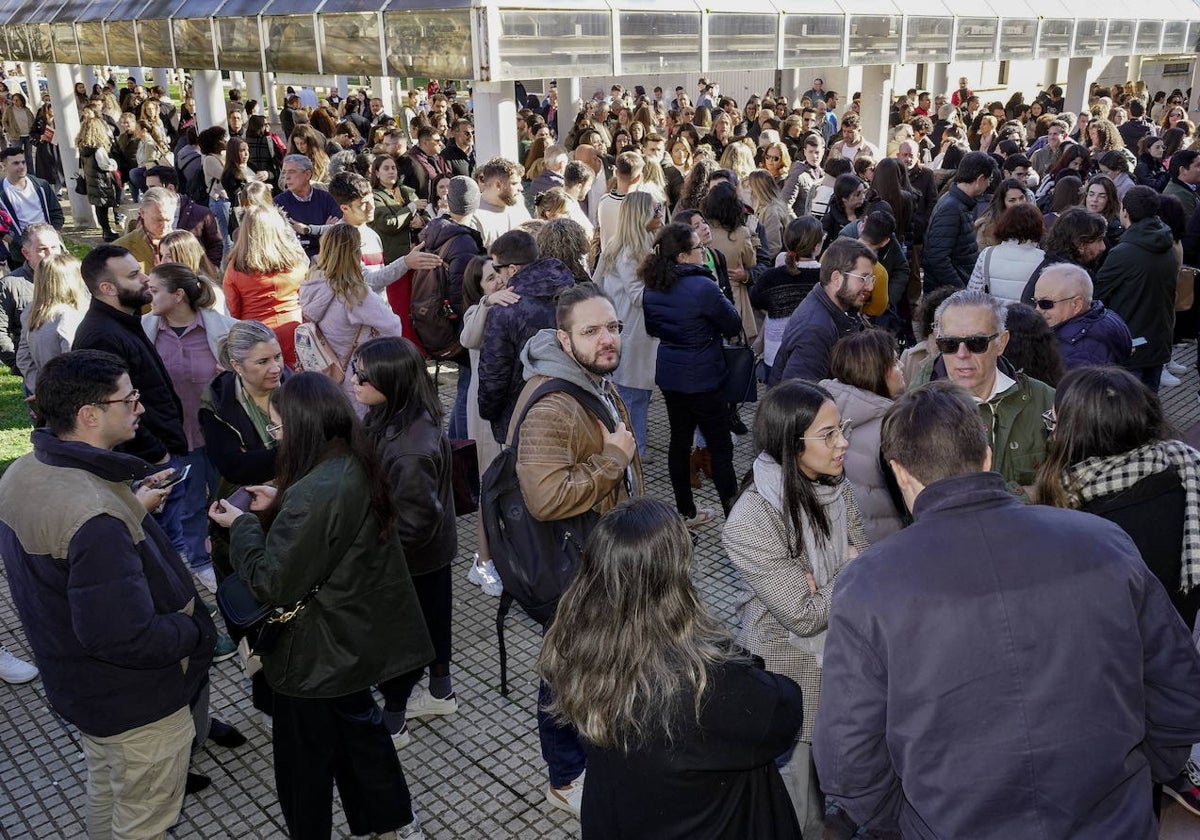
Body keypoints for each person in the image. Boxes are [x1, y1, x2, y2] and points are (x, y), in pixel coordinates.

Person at [812, 380, 1200, 838]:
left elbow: (848, 757)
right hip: (1114, 822)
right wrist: (1138, 774)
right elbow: (1178, 686)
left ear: (900, 473)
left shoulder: (870, 583)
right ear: (987, 456)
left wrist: (904, 822)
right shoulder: (1103, 542)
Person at [0, 349, 216, 839]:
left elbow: (67, 565)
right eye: (129, 398)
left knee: (108, 787)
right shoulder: (93, 516)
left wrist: (130, 509)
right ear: (90, 415)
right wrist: (191, 630)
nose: (139, 407)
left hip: (80, 687)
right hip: (136, 704)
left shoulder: (23, 473)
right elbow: (122, 635)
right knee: (143, 820)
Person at [208, 372, 433, 840]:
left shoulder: (316, 489)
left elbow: (273, 580)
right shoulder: (350, 458)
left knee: (302, 765)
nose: (275, 436)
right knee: (361, 734)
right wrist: (283, 502)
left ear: (305, 427)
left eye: (278, 428)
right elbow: (329, 532)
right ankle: (391, 821)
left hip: (312, 654)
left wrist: (244, 525)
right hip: (351, 636)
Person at [541, 496, 804, 839]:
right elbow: (784, 713)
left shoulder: (570, 642)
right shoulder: (702, 679)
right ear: (672, 576)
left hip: (618, 818)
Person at [507, 282, 642, 818]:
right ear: (564, 339)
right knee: (566, 672)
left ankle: (599, 756)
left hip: (603, 558)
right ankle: (566, 777)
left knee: (588, 666)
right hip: (575, 569)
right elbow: (544, 498)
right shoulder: (554, 404)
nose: (607, 339)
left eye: (612, 327)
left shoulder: (592, 379)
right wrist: (611, 461)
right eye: (591, 331)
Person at [723, 379, 868, 836]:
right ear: (791, 443)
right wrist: (846, 569)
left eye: (840, 428)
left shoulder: (833, 483)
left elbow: (862, 549)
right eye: (827, 435)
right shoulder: (752, 518)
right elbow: (802, 615)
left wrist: (825, 578)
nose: (843, 441)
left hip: (847, 660)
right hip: (795, 675)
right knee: (801, 807)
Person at [352, 337, 459, 746]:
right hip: (431, 553)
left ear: (392, 381)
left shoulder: (409, 447)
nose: (355, 379)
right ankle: (441, 690)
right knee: (434, 620)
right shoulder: (395, 414)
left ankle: (393, 720)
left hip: (411, 558)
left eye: (364, 375)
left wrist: (376, 555)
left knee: (402, 638)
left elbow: (415, 521)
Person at [74, 244, 192, 550]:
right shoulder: (101, 335)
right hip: (149, 466)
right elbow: (111, 409)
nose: (145, 280)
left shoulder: (124, 320)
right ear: (107, 288)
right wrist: (157, 454)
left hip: (158, 455)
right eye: (134, 274)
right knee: (160, 548)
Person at [141, 262, 236, 592]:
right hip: (178, 438)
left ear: (178, 295)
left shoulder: (222, 329)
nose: (146, 294)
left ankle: (234, 555)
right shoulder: (146, 331)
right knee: (190, 504)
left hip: (221, 434)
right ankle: (199, 560)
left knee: (232, 496)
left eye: (154, 290)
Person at [642, 223, 742, 524]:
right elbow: (733, 324)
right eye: (699, 247)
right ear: (684, 256)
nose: (704, 251)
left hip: (672, 377)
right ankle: (735, 520)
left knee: (678, 442)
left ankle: (686, 511)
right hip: (705, 378)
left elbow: (652, 329)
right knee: (721, 449)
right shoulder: (704, 287)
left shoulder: (652, 286)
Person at [910, 290, 1054, 495]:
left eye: (976, 343)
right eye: (949, 344)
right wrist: (1025, 495)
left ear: (1001, 343)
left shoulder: (1046, 401)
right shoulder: (913, 412)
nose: (962, 354)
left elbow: (1065, 485)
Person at [477, 229, 575, 443]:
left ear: (512, 269)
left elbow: (494, 374)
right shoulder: (573, 291)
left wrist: (489, 413)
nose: (498, 277)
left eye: (496, 268)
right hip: (572, 406)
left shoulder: (506, 308)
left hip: (522, 415)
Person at [299, 225, 403, 412]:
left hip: (325, 372)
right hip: (356, 377)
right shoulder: (354, 293)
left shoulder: (310, 283)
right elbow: (394, 327)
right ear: (355, 252)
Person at [820, 329, 906, 543]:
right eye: (895, 362)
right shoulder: (892, 427)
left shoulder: (821, 410)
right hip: (885, 541)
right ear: (875, 371)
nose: (902, 365)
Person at [458, 255, 511, 597]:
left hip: (507, 408)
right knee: (489, 485)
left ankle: (502, 555)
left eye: (500, 274)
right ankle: (482, 561)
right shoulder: (477, 312)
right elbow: (468, 339)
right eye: (489, 279)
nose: (498, 282)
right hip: (485, 412)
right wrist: (487, 302)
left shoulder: (512, 306)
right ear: (477, 287)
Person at [591, 191, 659, 457]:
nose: (660, 213)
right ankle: (635, 452)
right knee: (633, 396)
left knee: (633, 394)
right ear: (641, 214)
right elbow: (638, 295)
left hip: (628, 330)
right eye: (656, 209)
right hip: (632, 332)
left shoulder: (628, 244)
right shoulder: (630, 251)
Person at [1094, 185, 1179, 392]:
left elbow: (1096, 293)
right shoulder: (1168, 245)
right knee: (1150, 404)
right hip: (1159, 341)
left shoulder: (1124, 252)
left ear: (1125, 212)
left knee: (1128, 409)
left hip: (1131, 345)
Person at [771, 237, 875, 385]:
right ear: (836, 278)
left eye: (871, 278)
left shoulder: (836, 308)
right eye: (863, 278)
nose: (870, 287)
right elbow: (800, 400)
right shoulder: (815, 330)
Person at [222, 206, 309, 367]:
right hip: (295, 328)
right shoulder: (296, 260)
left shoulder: (236, 267)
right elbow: (307, 296)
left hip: (256, 334)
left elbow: (233, 309)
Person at [1032, 262, 1132, 368]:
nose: (1037, 310)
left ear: (1076, 304)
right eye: (1035, 301)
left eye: (1046, 303)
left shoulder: (1076, 353)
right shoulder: (1105, 316)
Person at [922, 151, 995, 291]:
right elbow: (937, 258)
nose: (988, 185)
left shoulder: (956, 202)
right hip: (947, 295)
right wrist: (960, 290)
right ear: (980, 179)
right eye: (989, 180)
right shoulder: (952, 207)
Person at [15, 251, 86, 394]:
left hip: (44, 389)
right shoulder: (69, 315)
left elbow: (23, 356)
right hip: (69, 393)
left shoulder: (32, 310)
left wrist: (38, 387)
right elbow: (74, 360)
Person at [0, 222, 62, 374]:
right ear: (26, 253)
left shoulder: (76, 277)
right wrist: (21, 366)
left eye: (55, 247)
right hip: (36, 372)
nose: (51, 254)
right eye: (43, 249)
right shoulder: (10, 285)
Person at [967, 203, 1045, 302]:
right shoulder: (1042, 259)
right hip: (1028, 315)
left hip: (994, 314)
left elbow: (973, 293)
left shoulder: (987, 254)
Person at [274, 154, 343, 258]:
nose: (286, 177)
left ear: (307, 174)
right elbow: (282, 239)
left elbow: (336, 231)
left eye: (292, 172)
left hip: (326, 259)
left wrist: (306, 231)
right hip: (295, 260)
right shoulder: (278, 203)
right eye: (284, 172)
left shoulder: (327, 199)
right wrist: (322, 230)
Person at [368, 153, 425, 263]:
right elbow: (388, 224)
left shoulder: (406, 191)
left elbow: (425, 212)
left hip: (416, 252)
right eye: (386, 168)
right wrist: (411, 208)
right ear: (377, 173)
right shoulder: (375, 197)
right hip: (393, 258)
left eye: (393, 168)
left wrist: (421, 220)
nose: (391, 171)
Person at [76, 115, 121, 241]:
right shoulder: (98, 149)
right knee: (104, 207)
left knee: (99, 208)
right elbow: (105, 165)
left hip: (92, 181)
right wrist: (113, 163)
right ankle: (107, 231)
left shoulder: (83, 147)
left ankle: (105, 230)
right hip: (101, 181)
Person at [113, 187, 177, 274]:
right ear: (142, 213)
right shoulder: (120, 249)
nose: (165, 226)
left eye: (168, 220)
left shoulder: (182, 243)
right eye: (158, 220)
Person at [474, 156, 533, 247]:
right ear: (498, 185)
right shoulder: (474, 216)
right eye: (514, 183)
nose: (521, 188)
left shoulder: (517, 203)